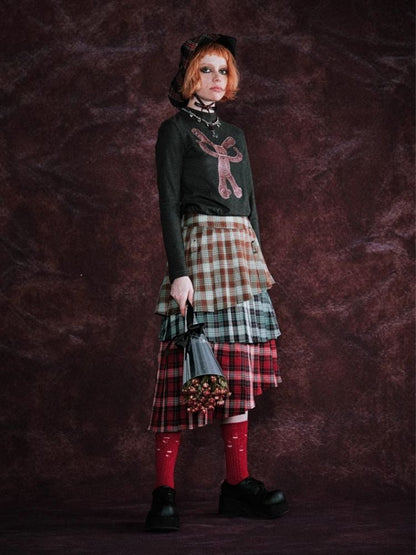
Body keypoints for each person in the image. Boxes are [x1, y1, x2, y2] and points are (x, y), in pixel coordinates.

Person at [145, 33, 288, 532]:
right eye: (206, 69)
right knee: (183, 371)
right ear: (189, 77)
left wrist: (257, 258)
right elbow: (168, 204)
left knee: (238, 372)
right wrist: (179, 271)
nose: (216, 79)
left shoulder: (236, 134)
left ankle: (237, 484)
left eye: (223, 71)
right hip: (199, 251)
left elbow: (250, 205)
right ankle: (164, 491)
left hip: (240, 255)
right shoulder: (174, 131)